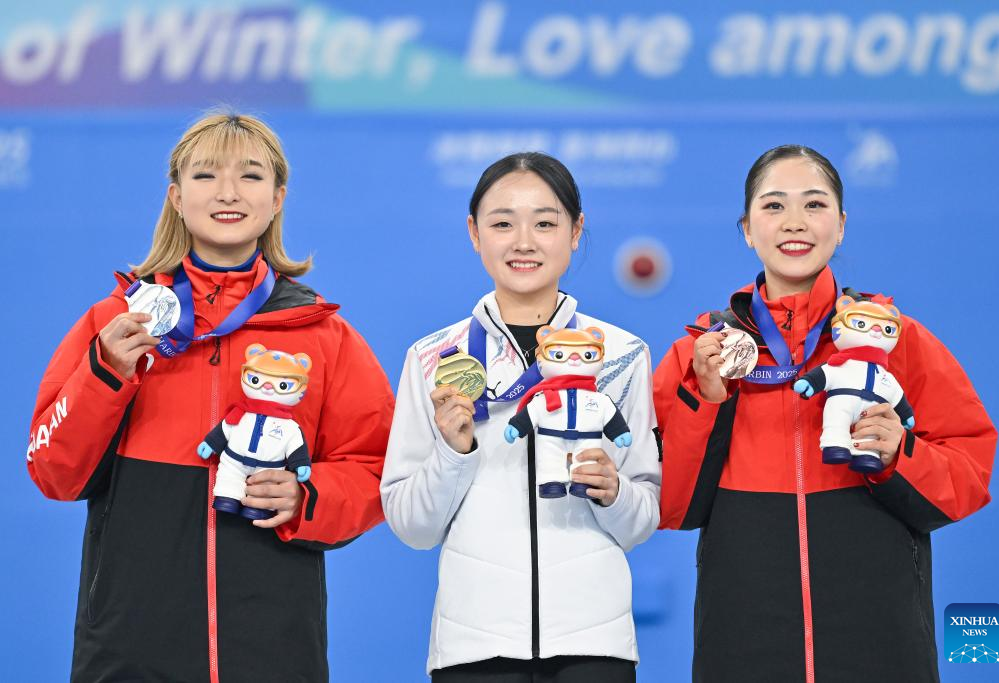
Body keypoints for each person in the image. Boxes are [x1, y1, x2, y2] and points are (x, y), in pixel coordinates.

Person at [26, 112, 394, 682]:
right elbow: (55, 473)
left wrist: (309, 496)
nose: (227, 192)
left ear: (277, 198)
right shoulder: (117, 323)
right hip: (128, 650)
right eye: (205, 175)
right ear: (176, 197)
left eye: (250, 175)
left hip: (274, 649)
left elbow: (376, 466)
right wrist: (105, 373)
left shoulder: (323, 335)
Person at [653, 144, 997, 682]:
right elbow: (673, 505)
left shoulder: (894, 339)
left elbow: (968, 473)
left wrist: (899, 455)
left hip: (879, 643)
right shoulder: (702, 353)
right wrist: (709, 398)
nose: (795, 221)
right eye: (773, 205)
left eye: (814, 204)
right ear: (747, 229)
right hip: (743, 642)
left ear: (841, 225)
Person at [381, 153, 661, 682]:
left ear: (575, 231)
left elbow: (643, 518)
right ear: (474, 233)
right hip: (474, 649)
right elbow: (413, 527)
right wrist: (452, 454)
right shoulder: (434, 359)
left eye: (545, 223)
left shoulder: (622, 355)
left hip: (593, 646)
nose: (524, 242)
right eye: (503, 223)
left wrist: (614, 492)